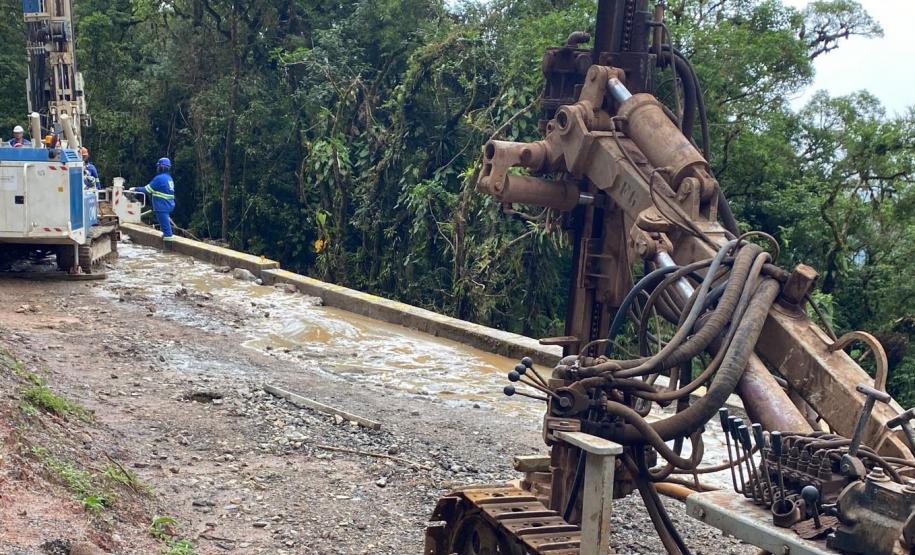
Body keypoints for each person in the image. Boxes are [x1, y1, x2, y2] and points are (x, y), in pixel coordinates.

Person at [132, 157, 176, 240]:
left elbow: (147, 190)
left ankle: (167, 248)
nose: (157, 168)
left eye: (158, 166)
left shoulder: (159, 178)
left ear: (161, 167)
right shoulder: (168, 178)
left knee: (167, 232)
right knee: (165, 225)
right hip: (168, 204)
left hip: (162, 205)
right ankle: (166, 239)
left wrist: (135, 189)